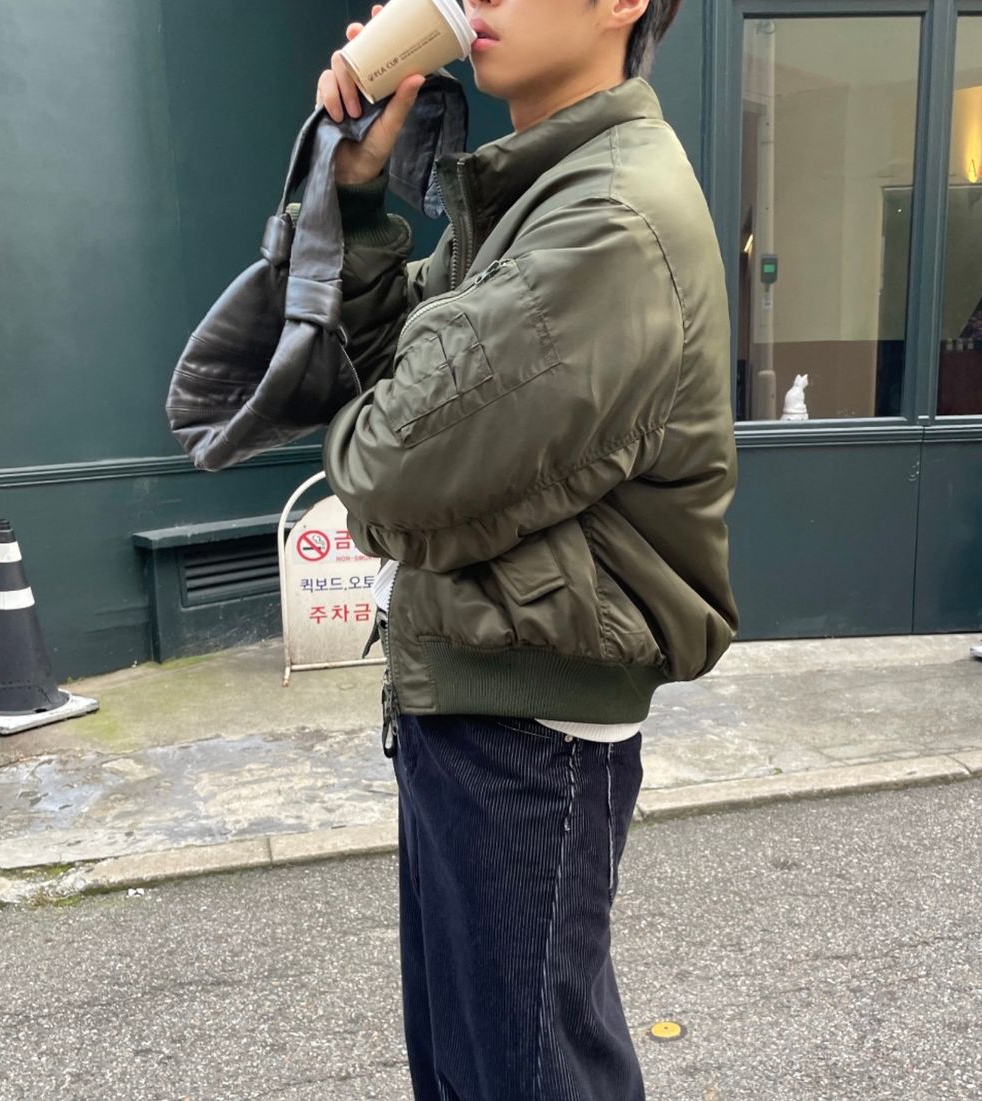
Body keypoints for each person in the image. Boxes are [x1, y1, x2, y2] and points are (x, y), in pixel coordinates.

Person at [316, 1, 737, 1097]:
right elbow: (377, 372)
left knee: (528, 1075)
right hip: (484, 695)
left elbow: (386, 468)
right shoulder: (537, 193)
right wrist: (355, 189)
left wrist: (379, 441)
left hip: (527, 729)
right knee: (482, 1072)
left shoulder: (607, 222)